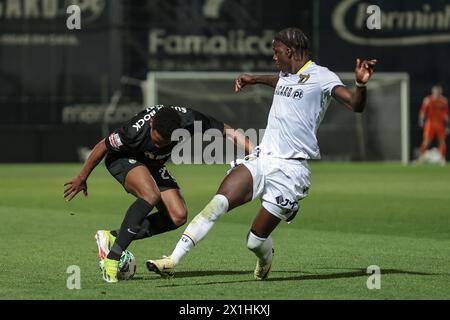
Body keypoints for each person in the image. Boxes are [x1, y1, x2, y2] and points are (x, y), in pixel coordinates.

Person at [147, 27, 377, 280]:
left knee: (255, 241)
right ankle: (171, 260)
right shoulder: (287, 74)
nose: (274, 56)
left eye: (276, 51)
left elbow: (355, 104)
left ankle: (266, 258)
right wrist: (254, 79)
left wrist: (360, 84)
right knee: (218, 204)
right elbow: (281, 81)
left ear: (289, 51)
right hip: (262, 158)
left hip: (291, 169)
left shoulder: (322, 77)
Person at [64, 105, 252, 283]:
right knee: (150, 195)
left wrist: (256, 152)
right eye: (155, 140)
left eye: (164, 142)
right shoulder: (134, 130)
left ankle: (112, 236)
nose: (158, 145)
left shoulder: (189, 121)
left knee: (177, 216)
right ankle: (112, 261)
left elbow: (227, 130)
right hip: (123, 159)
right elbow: (102, 146)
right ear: (152, 123)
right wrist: (82, 177)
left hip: (152, 165)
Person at [418, 85, 449, 164]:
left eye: (439, 91)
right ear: (433, 91)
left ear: (440, 91)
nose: (437, 92)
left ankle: (442, 158)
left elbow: (446, 114)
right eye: (436, 91)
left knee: (442, 141)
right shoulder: (428, 100)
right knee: (426, 141)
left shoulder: (444, 101)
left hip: (440, 124)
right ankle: (421, 157)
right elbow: (423, 111)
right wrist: (421, 120)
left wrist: (448, 125)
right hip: (430, 123)